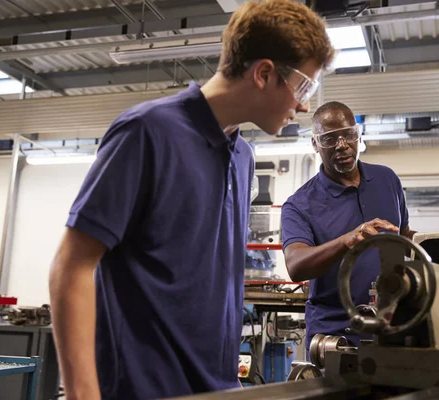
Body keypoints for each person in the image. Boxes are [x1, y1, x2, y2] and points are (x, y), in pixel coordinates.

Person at [48, 1, 335, 399]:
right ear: (264, 73)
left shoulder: (242, 157)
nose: (304, 105)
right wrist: (84, 393)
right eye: (303, 87)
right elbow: (71, 265)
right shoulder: (146, 132)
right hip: (142, 388)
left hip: (215, 387)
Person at [281, 101, 415, 353]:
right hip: (335, 333)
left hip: (392, 323)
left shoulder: (387, 179)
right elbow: (295, 266)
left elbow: (405, 236)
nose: (342, 145)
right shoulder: (299, 204)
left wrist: (438, 244)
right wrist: (347, 240)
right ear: (315, 144)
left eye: (348, 135)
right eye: (330, 138)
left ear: (358, 135)